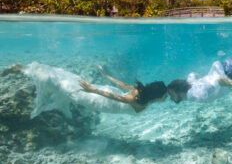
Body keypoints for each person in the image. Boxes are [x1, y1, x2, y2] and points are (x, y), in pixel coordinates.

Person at [1, 63, 167, 117]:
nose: (165, 98)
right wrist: (94, 88)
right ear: (156, 96)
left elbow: (121, 86)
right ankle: (23, 70)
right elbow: (117, 98)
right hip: (97, 99)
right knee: (63, 85)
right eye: (164, 96)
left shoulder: (140, 92)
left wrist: (105, 77)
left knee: (66, 81)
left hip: (102, 92)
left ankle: (23, 69)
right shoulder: (140, 102)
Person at [167, 22, 232, 103]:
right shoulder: (190, 86)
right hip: (227, 68)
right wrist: (204, 79)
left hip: (231, 71)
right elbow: (192, 75)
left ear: (177, 91)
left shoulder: (197, 94)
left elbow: (219, 80)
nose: (170, 98)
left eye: (170, 94)